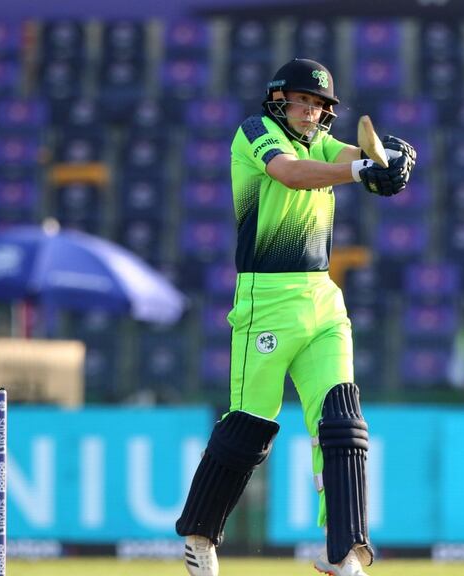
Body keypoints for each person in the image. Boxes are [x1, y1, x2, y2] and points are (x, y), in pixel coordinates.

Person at [175, 58, 416, 576]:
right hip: (266, 301)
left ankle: (344, 550)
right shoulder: (255, 133)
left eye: (320, 107)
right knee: (249, 426)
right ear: (279, 100)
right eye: (303, 102)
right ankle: (199, 533)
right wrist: (358, 170)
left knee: (343, 422)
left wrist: (389, 159)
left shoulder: (322, 143)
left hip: (322, 297)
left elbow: (358, 156)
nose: (311, 114)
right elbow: (291, 174)